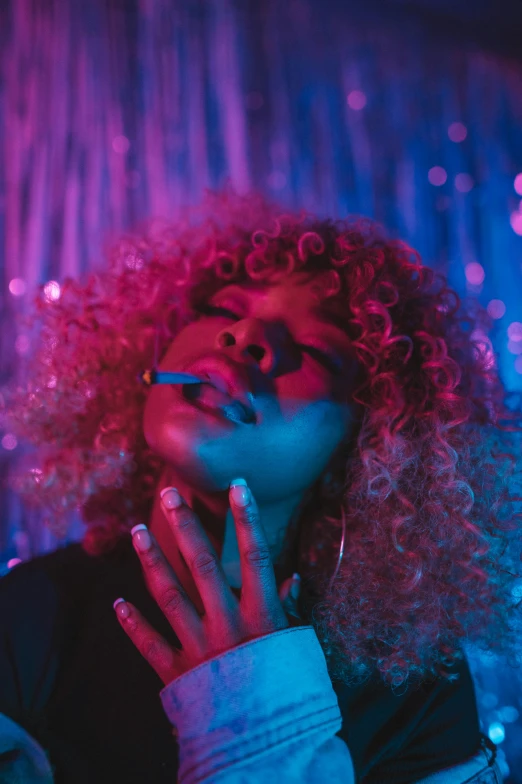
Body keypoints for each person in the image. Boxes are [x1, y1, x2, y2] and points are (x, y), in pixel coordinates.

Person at [0, 186, 518, 783]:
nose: (243, 336)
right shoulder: (32, 615)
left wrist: (256, 722)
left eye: (316, 350)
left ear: (372, 444)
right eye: (223, 309)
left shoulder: (412, 680)